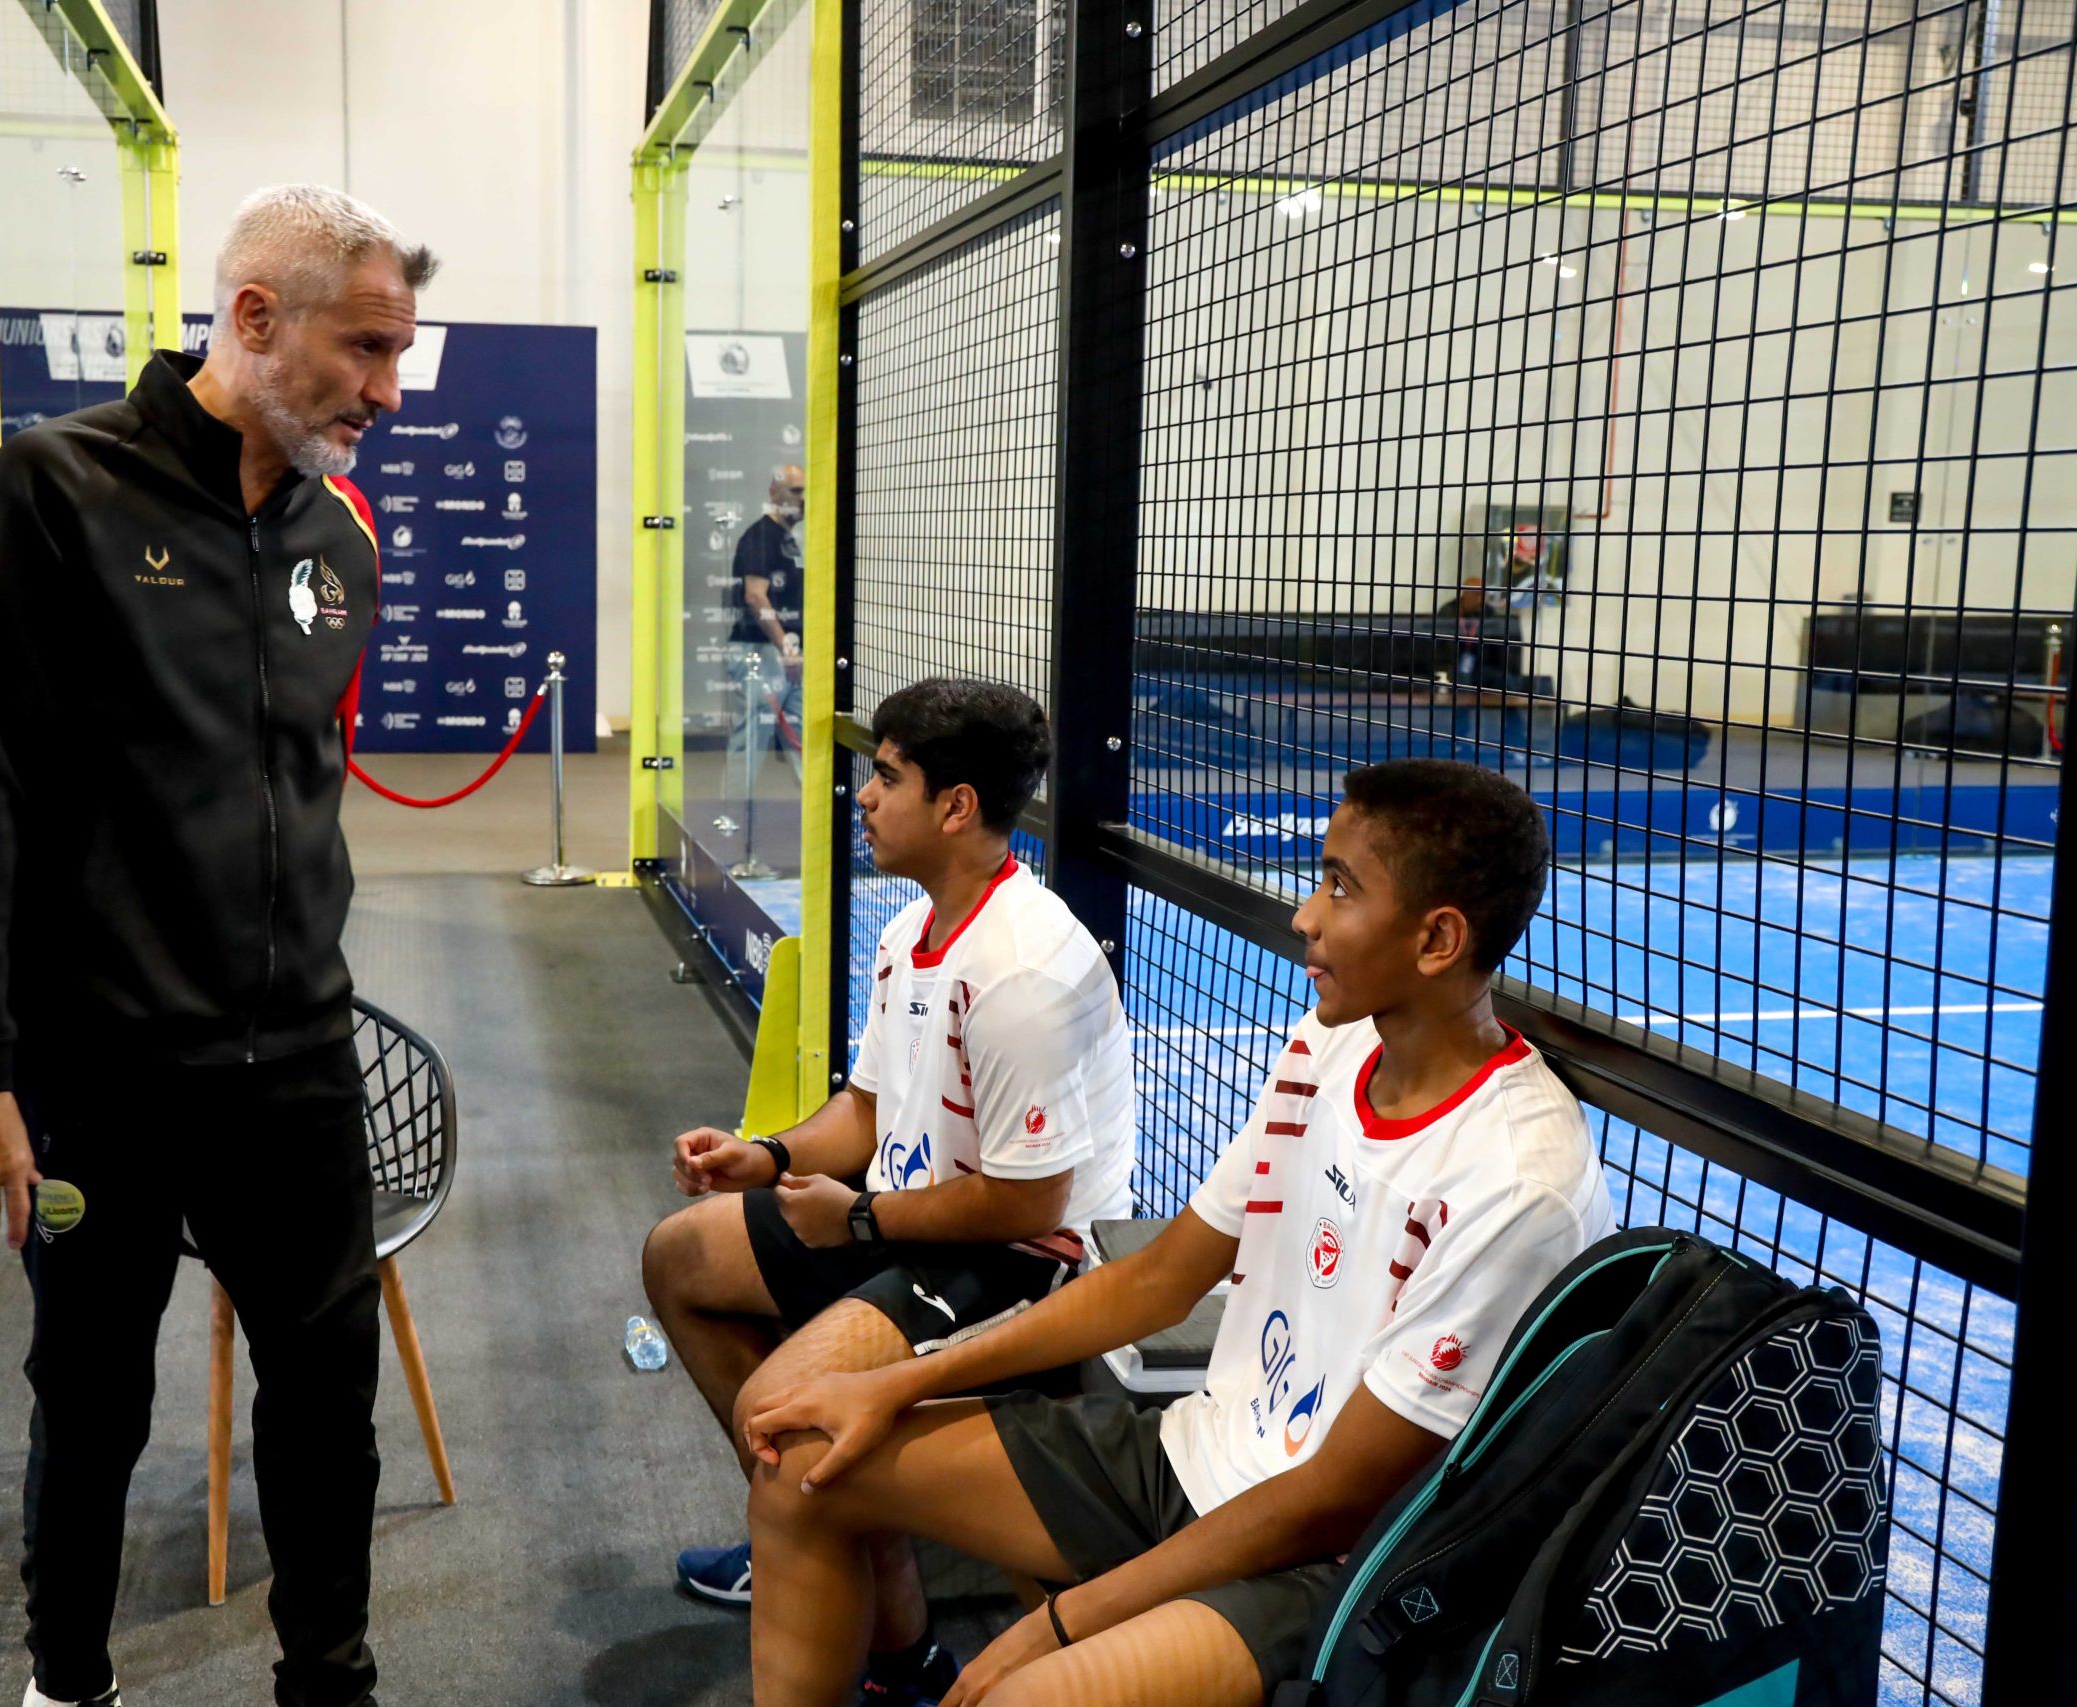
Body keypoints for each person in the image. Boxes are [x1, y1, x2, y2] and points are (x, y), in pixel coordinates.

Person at [740, 758, 1613, 1707]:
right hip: (1192, 1455)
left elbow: (1332, 1501)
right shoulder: (1330, 1045)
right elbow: (1158, 1279)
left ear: (1438, 938)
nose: (1305, 916)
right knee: (800, 1466)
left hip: (1324, 1569)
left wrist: (1059, 1621)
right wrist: (894, 1383)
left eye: (1339, 886)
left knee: (1022, 1693)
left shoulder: (1518, 1182)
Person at [0, 184, 438, 1707]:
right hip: (103, 1070)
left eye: (399, 356)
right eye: (365, 351)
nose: (388, 393)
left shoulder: (339, 532)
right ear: (255, 319)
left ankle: (329, 1681)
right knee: (91, 1401)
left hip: (299, 1063)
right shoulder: (52, 489)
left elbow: (293, 790)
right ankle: (67, 1683)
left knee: (326, 1400)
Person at [642, 677, 1137, 1705]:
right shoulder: (911, 927)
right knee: (680, 1255)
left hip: (1018, 1263)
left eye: (887, 776)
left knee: (784, 1416)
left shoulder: (1021, 972)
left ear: (956, 806)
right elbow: (866, 1110)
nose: (862, 796)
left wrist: (858, 1216)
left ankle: (820, 1551)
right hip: (904, 1224)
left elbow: (1032, 1207)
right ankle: (874, 1612)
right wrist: (768, 1156)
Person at [723, 463, 808, 801]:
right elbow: (755, 596)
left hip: (788, 656)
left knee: (803, 738)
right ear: (774, 494)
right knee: (751, 738)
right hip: (761, 653)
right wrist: (785, 647)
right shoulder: (760, 536)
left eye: (806, 492)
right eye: (796, 491)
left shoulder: (788, 541)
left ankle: (821, 822)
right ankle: (733, 817)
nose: (803, 499)